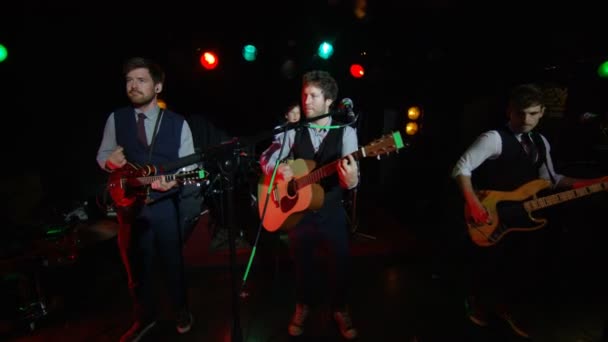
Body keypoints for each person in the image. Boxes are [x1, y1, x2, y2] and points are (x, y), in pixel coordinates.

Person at [451, 83, 606, 339]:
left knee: (515, 266)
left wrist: (592, 183)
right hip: (492, 211)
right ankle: (476, 304)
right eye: (520, 113)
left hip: (523, 216)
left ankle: (503, 309)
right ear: (509, 111)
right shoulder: (493, 138)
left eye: (533, 113)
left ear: (542, 112)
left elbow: (551, 179)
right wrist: (474, 203)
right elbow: (461, 169)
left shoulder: (541, 141)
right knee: (488, 264)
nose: (526, 119)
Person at [96, 57, 195, 341]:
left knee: (172, 264)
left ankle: (181, 311)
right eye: (129, 80)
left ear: (158, 86)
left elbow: (189, 168)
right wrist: (110, 163)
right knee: (135, 269)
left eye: (141, 80)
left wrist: (173, 180)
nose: (133, 85)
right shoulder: (116, 118)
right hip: (129, 209)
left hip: (164, 207)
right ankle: (144, 318)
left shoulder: (178, 123)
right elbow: (103, 156)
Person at [259, 70, 359, 339]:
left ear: (329, 101)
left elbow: (352, 175)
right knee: (302, 262)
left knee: (341, 262)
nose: (306, 101)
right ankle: (303, 305)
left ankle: (339, 308)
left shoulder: (345, 132)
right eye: (304, 95)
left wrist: (351, 179)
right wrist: (280, 169)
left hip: (331, 208)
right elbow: (266, 157)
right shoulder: (294, 130)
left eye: (313, 96)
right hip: (299, 211)